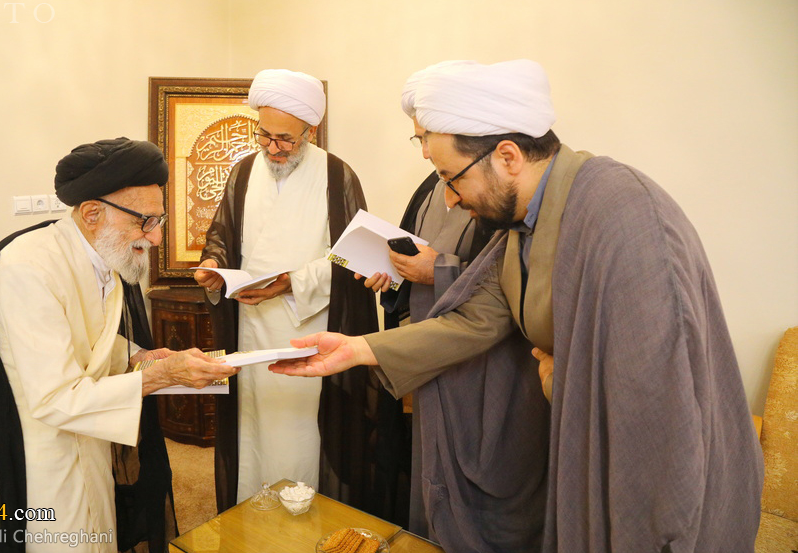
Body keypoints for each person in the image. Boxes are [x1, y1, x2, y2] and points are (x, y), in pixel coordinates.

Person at [273, 60, 764, 552]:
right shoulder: (528, 221)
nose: (451, 198)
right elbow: (477, 317)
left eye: (451, 178)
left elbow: (659, 416)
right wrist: (357, 349)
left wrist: (563, 382)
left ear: (507, 156)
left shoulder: (624, 216)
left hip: (661, 501)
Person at [0, 137, 238, 553]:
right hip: (44, 457)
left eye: (159, 220)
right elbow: (55, 398)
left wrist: (140, 356)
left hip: (92, 433)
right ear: (92, 213)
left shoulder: (100, 253)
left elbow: (86, 335)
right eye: (145, 222)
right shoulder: (27, 270)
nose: (155, 238)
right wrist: (159, 377)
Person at [358, 62, 548, 550]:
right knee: (431, 472)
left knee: (483, 489)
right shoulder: (432, 186)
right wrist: (393, 273)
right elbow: (414, 254)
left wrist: (437, 270)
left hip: (485, 370)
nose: (424, 151)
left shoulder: (503, 197)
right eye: (418, 139)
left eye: (428, 137)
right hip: (428, 352)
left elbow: (500, 291)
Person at [192, 69, 378, 512]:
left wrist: (292, 282)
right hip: (251, 324)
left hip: (311, 327)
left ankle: (305, 514)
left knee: (301, 432)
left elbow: (355, 257)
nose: (273, 148)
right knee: (255, 423)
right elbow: (221, 235)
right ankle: (252, 516)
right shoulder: (243, 171)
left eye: (285, 140)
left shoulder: (337, 175)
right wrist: (213, 265)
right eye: (265, 136)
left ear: (309, 131)